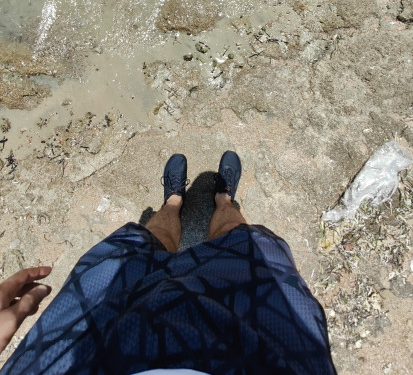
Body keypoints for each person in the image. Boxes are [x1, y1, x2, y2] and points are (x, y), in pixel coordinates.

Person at [0, 151, 336, 375]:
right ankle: (214, 202)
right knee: (240, 243)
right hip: (257, 355)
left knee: (144, 245)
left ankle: (184, 202)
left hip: (83, 358)